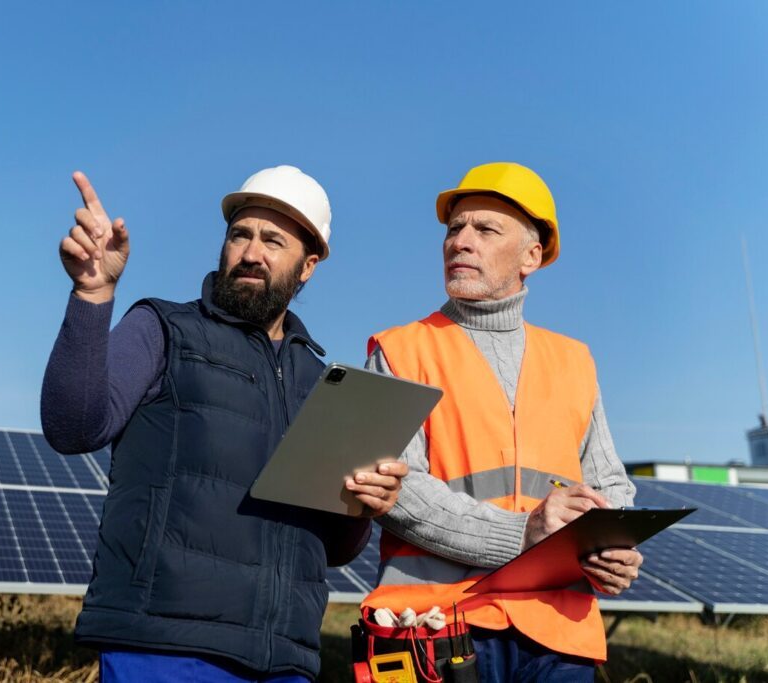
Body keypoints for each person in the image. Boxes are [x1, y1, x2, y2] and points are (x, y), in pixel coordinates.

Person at [41, 165, 409, 682]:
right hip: (163, 650)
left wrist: (365, 505)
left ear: (308, 266)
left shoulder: (322, 381)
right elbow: (73, 427)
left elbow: (332, 548)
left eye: (274, 241)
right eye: (241, 235)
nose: (252, 253)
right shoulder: (163, 329)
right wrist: (92, 296)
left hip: (284, 659)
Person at [362, 162, 641, 681]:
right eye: (454, 229)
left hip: (559, 631)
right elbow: (395, 491)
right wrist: (524, 535)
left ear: (531, 256)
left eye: (485, 229)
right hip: (430, 623)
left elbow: (609, 485)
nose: (460, 242)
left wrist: (613, 547)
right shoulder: (400, 349)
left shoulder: (574, 360)